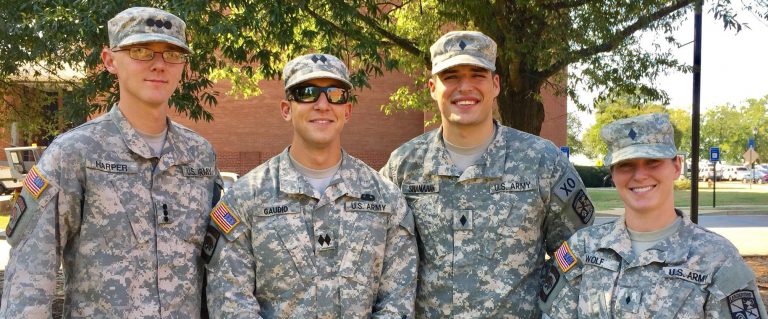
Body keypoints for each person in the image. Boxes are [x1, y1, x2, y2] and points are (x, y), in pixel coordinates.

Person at [0, 7, 222, 318]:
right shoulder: (75, 153)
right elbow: (29, 278)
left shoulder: (200, 156)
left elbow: (216, 263)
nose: (159, 64)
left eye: (172, 53)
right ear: (109, 60)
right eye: (141, 51)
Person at [379, 31, 594, 318]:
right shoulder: (405, 166)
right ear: (432, 87)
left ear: (495, 85)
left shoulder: (542, 161)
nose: (465, 87)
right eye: (451, 76)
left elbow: (583, 250)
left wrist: (555, 311)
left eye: (477, 74)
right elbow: (380, 255)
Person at [204, 53, 417, 318]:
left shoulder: (386, 199)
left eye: (335, 94)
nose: (322, 104)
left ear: (347, 110)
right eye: (307, 93)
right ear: (286, 108)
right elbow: (230, 301)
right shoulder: (245, 199)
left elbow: (398, 301)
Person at [539, 113, 768, 318]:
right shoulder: (583, 248)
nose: (640, 175)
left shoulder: (718, 259)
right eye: (626, 165)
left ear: (677, 166)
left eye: (653, 162)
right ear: (613, 174)